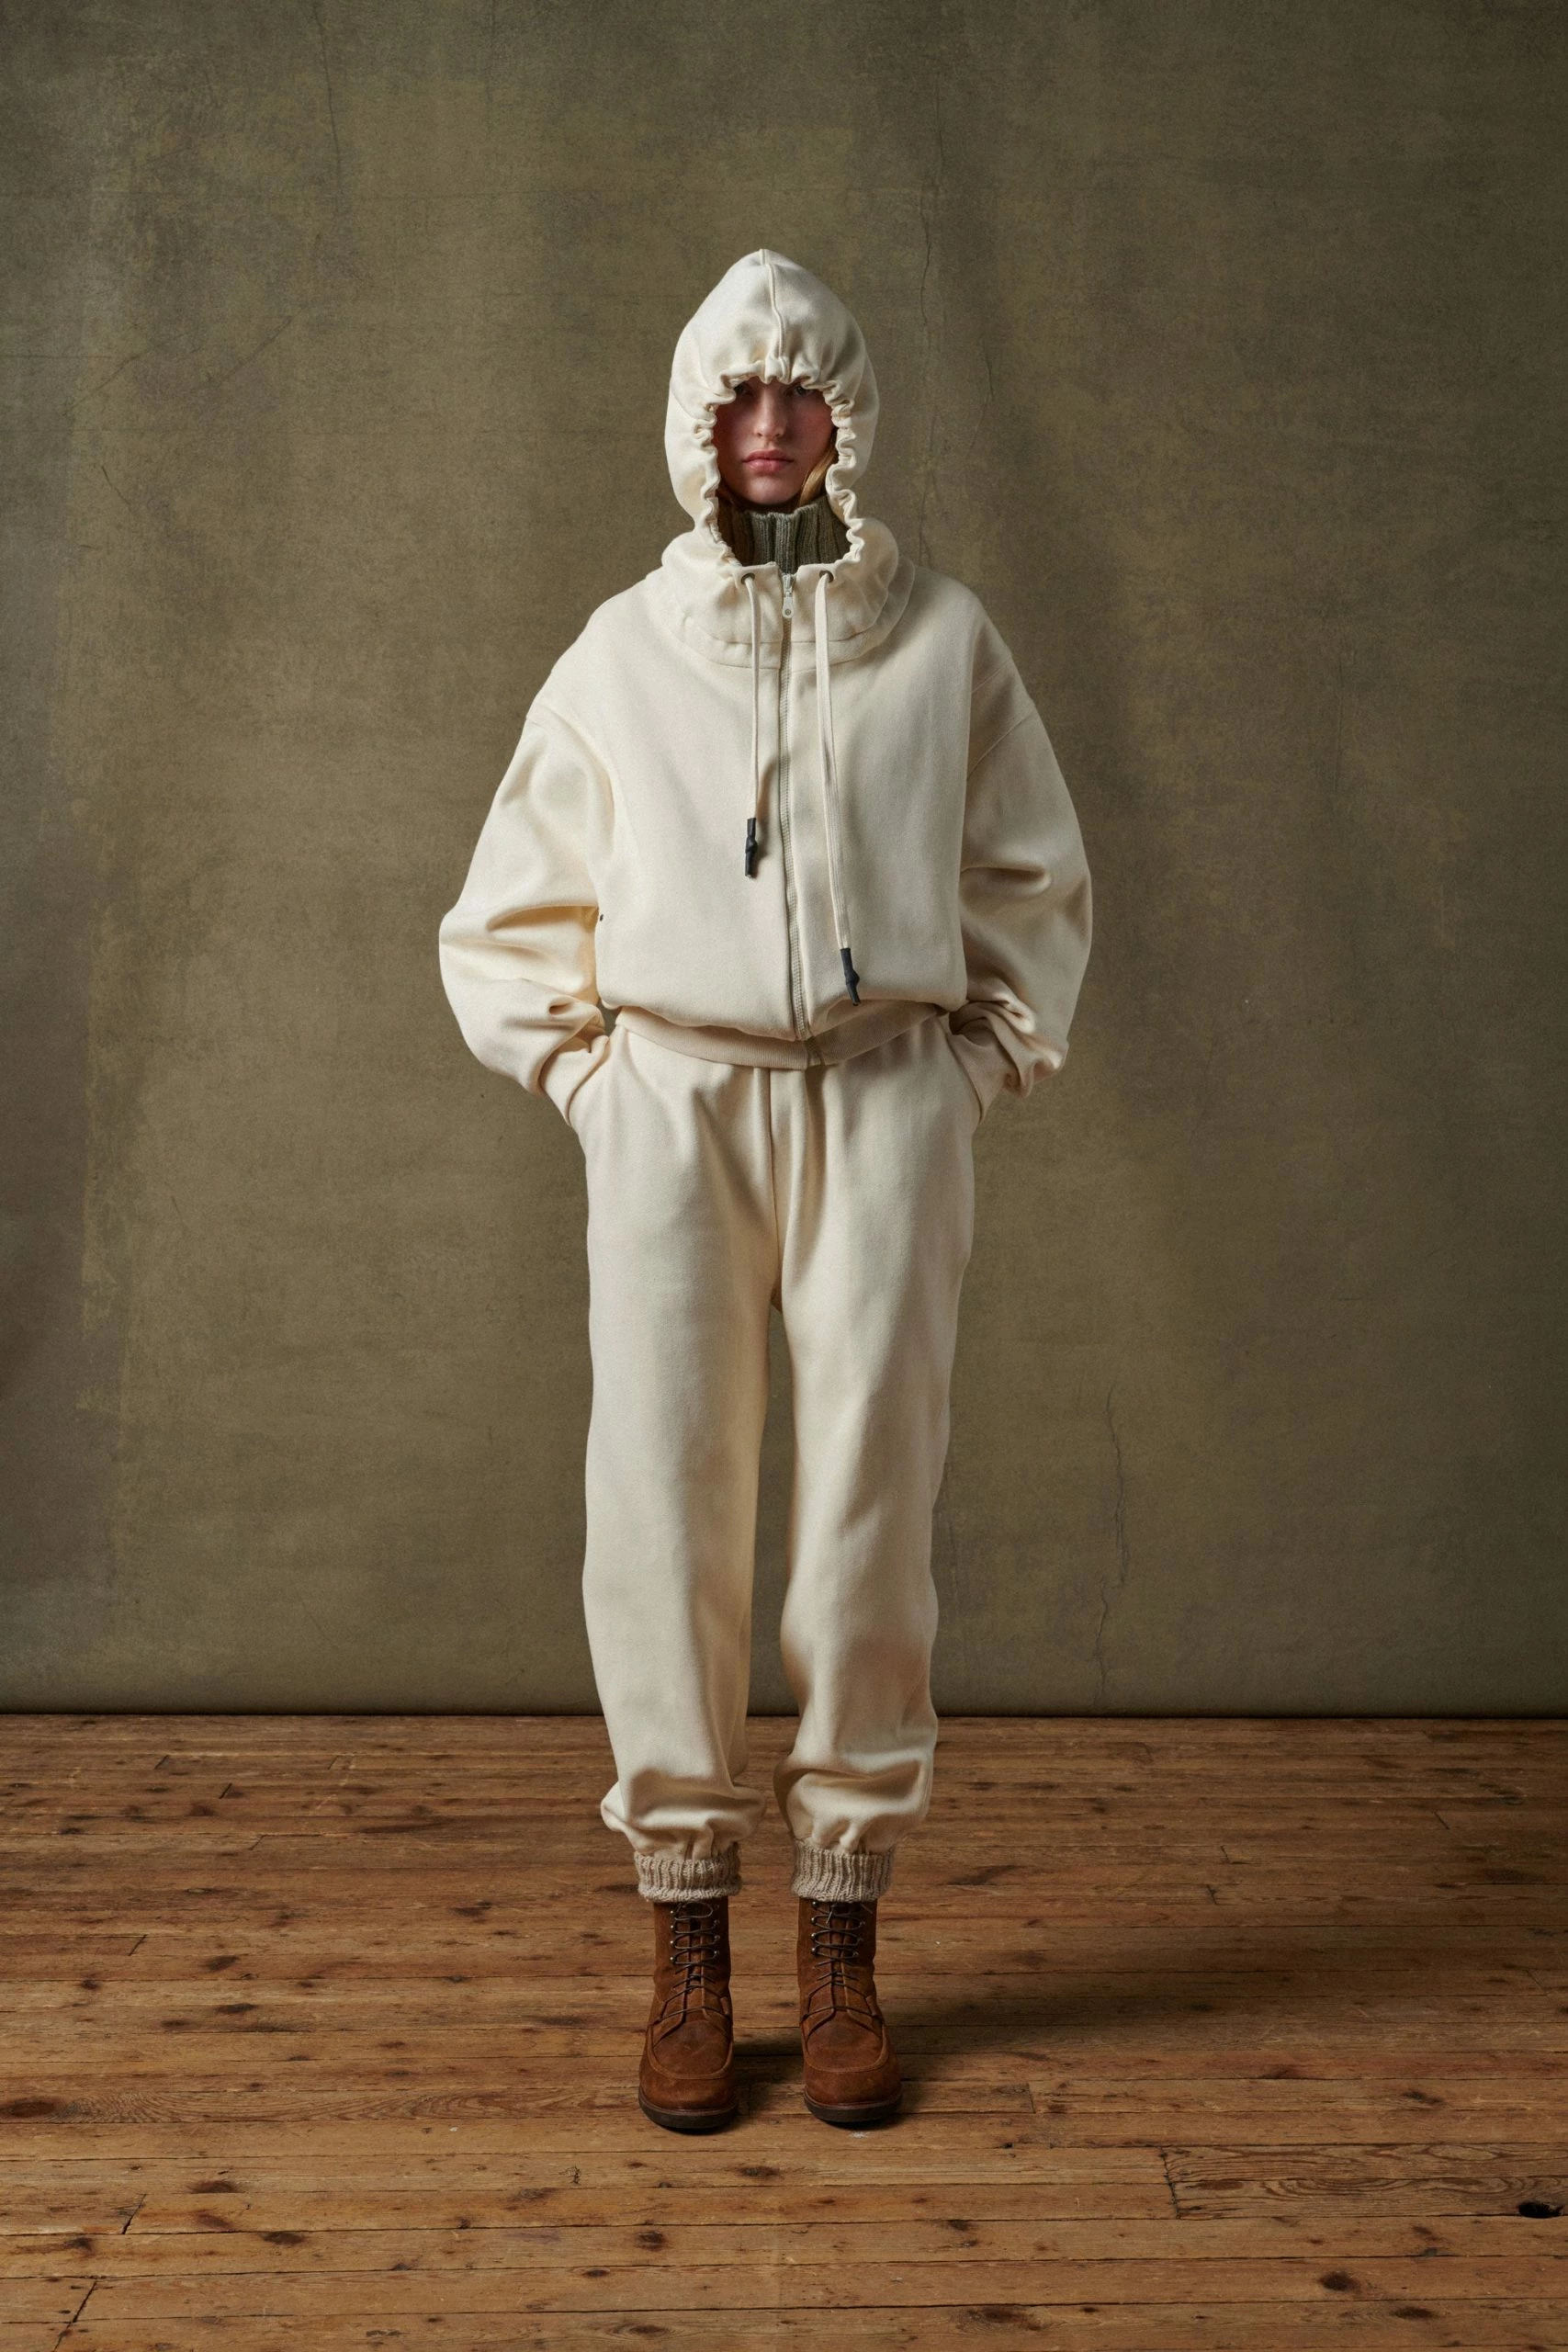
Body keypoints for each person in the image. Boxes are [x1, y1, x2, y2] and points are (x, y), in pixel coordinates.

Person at [438, 249, 1091, 2133]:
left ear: (849, 416)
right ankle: (687, 1934)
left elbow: (1033, 874)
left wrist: (977, 1062)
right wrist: (593, 1079)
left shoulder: (944, 638)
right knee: (661, 1499)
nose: (773, 423)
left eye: (803, 392)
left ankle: (842, 1929)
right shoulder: (619, 654)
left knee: (870, 1502)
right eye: (740, 394)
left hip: (886, 1099)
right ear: (694, 423)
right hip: (677, 1103)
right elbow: (505, 915)